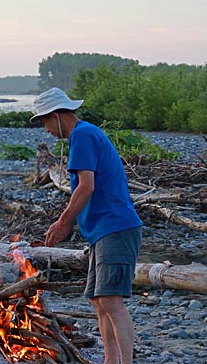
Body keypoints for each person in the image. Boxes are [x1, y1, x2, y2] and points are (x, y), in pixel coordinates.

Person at [31, 87, 142, 364]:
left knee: (111, 300)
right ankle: (109, 359)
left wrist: (63, 222)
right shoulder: (84, 134)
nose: (46, 130)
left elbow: (86, 186)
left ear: (56, 115)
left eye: (45, 121)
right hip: (101, 231)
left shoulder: (81, 134)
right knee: (98, 298)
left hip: (115, 226)